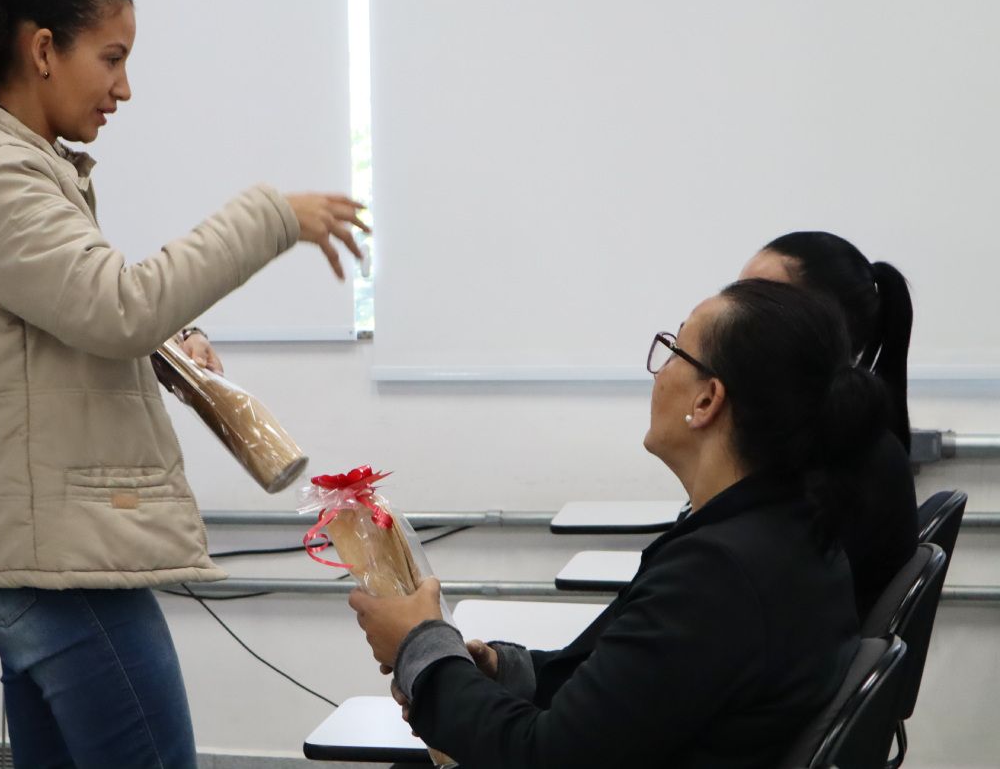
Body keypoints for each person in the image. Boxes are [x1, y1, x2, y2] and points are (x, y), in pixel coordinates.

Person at [0, 0, 366, 769]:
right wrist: (273, 216)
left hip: (35, 555)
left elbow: (62, 329)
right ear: (41, 50)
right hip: (54, 569)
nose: (123, 88)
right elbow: (119, 307)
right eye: (112, 57)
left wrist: (161, 351)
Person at [350, 280, 887, 768]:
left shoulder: (718, 575)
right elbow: (621, 699)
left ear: (706, 400)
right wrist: (500, 671)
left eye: (674, 350)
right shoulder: (783, 529)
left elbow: (545, 756)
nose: (658, 371)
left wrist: (419, 651)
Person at [741, 232, 918, 618]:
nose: (733, 314)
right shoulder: (847, 439)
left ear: (821, 324)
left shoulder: (833, 458)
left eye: (757, 301)